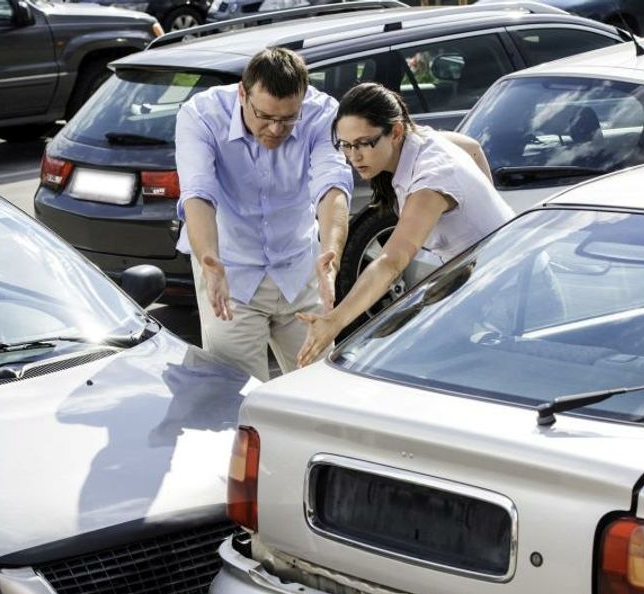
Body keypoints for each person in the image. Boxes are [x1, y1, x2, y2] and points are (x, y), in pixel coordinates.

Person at [295, 81, 512, 367]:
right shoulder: (421, 138)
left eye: (363, 143)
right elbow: (471, 148)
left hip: (511, 299)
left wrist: (334, 322)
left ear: (395, 132)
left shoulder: (431, 179)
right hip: (483, 287)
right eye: (345, 145)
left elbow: (392, 261)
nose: (353, 156)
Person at [175, 47, 352, 382]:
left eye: (288, 119)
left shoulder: (323, 113)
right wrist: (209, 259)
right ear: (243, 93)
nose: (275, 129)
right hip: (229, 276)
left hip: (300, 270)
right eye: (265, 117)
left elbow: (333, 186)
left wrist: (331, 254)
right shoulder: (201, 114)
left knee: (319, 390)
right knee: (237, 403)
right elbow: (198, 192)